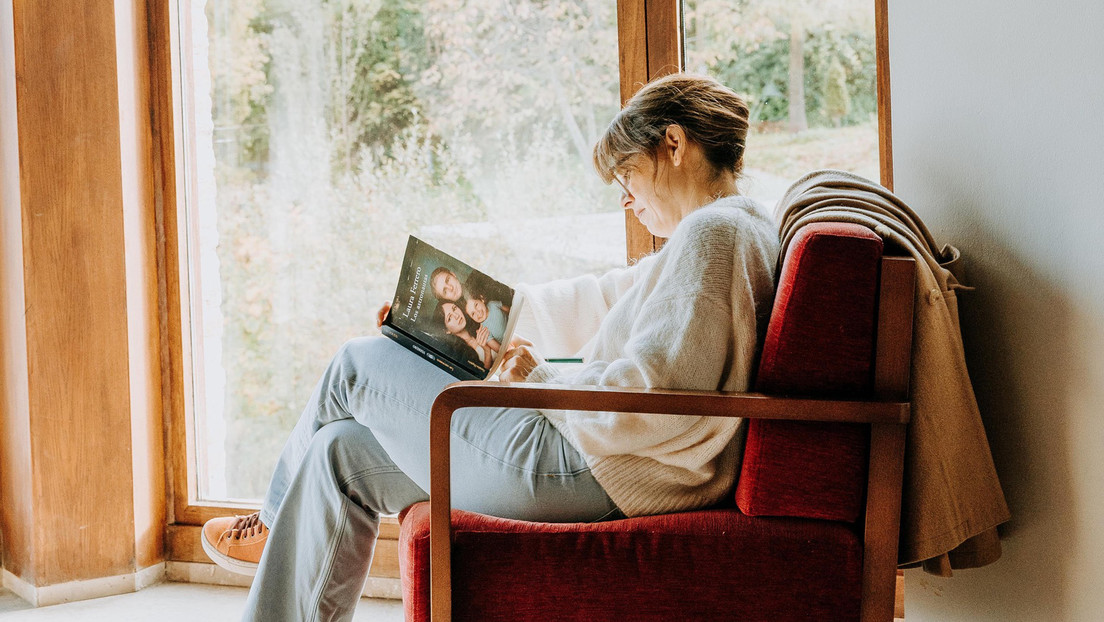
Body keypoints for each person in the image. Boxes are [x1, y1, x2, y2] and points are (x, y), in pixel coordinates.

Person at [200, 74, 779, 621]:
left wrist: (540, 379)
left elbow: (654, 394)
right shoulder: (722, 232)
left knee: (356, 366)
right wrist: (449, 325)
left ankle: (274, 520)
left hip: (594, 468)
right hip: (594, 455)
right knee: (339, 452)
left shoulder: (715, 236)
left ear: (673, 144)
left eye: (627, 175)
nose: (626, 199)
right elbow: (602, 300)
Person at [434, 300, 499, 368]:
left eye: (454, 308)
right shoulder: (459, 353)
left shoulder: (478, 319)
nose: (456, 315)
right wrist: (487, 351)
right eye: (449, 318)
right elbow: (481, 374)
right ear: (447, 331)